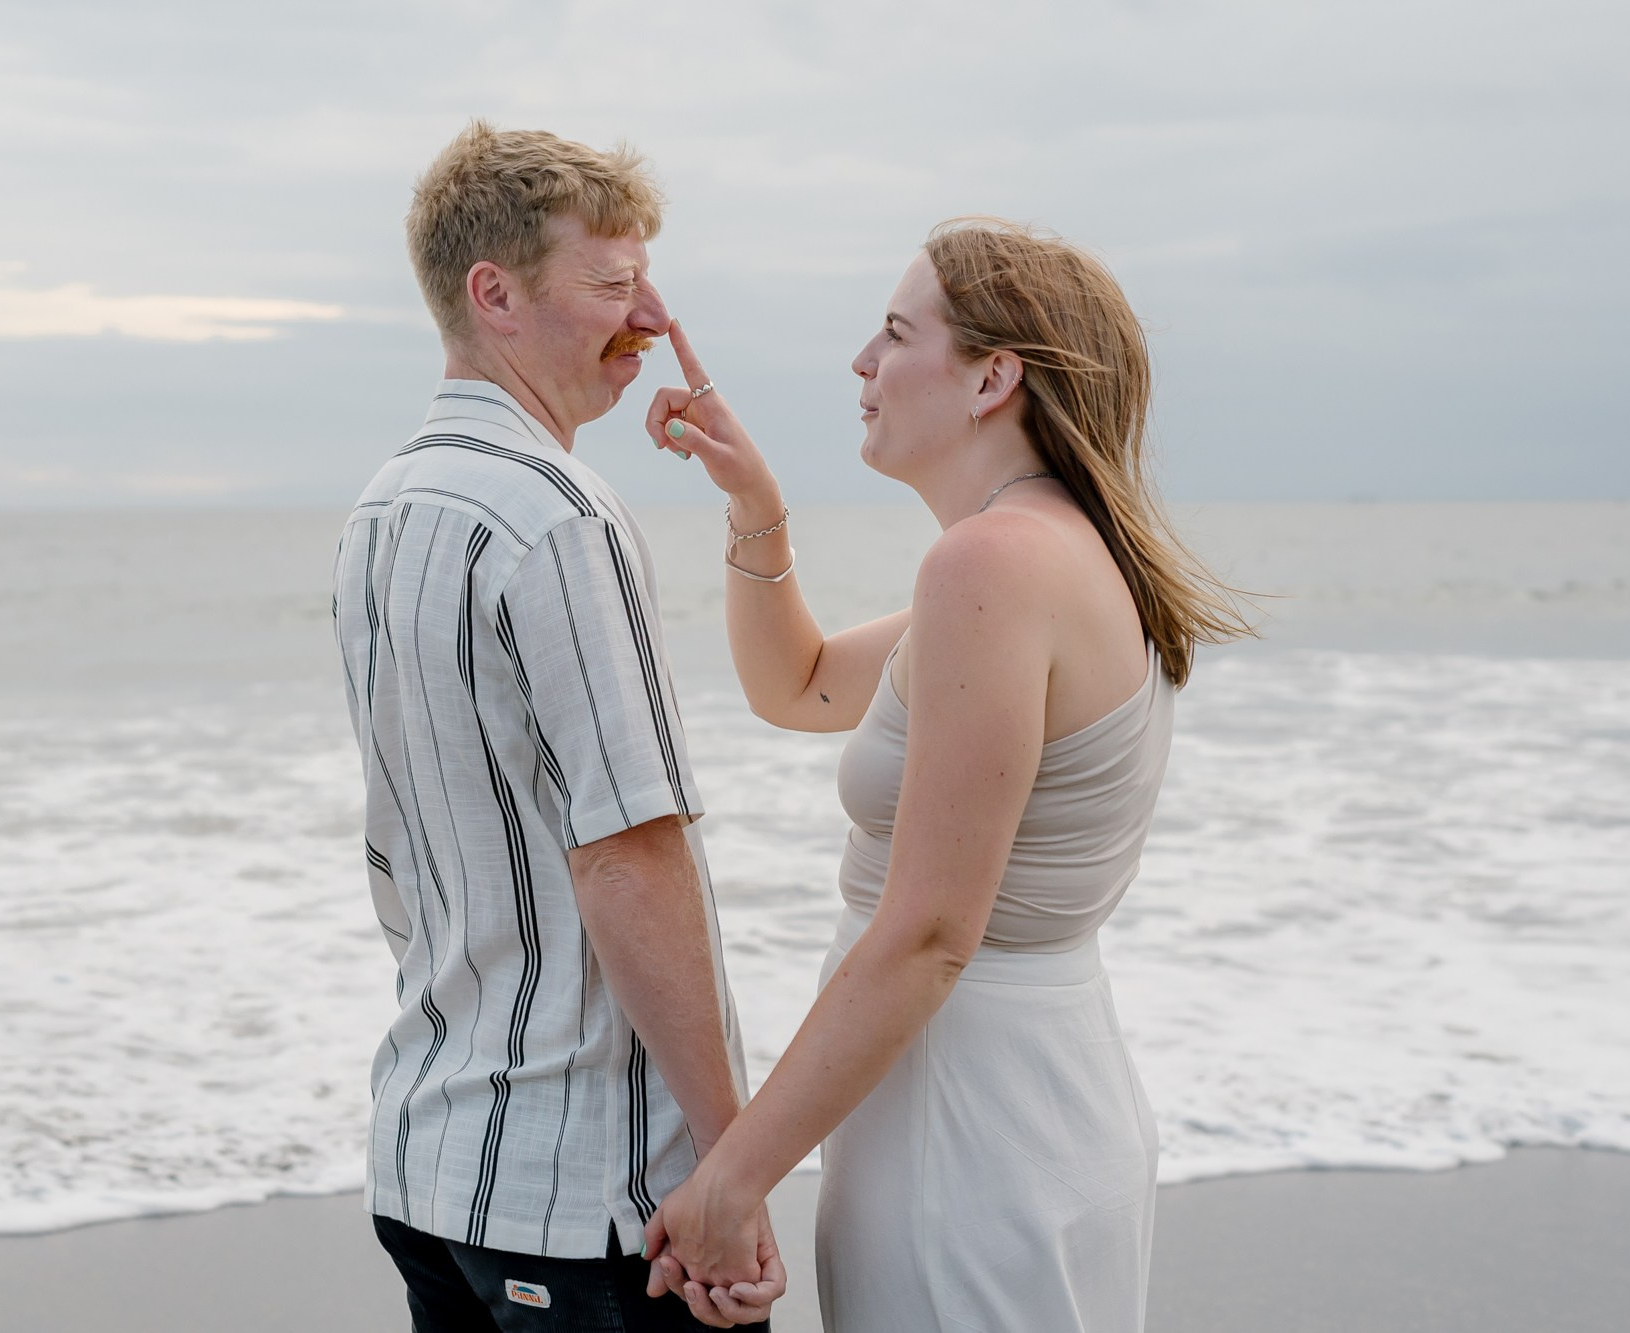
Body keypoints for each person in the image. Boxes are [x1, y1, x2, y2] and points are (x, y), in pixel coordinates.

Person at [638, 217, 1252, 1330]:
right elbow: (805, 684)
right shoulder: (1053, 549)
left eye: (892, 333)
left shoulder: (990, 563)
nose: (861, 365)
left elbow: (929, 933)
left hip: (969, 1132)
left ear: (989, 378)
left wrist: (733, 1177)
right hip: (1034, 1102)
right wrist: (754, 509)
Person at [331, 121, 783, 1331]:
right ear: (495, 295)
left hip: (432, 1162)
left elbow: (403, 846)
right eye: (611, 285)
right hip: (589, 1197)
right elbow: (625, 856)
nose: (646, 322)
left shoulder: (383, 508)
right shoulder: (558, 516)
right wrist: (729, 1169)